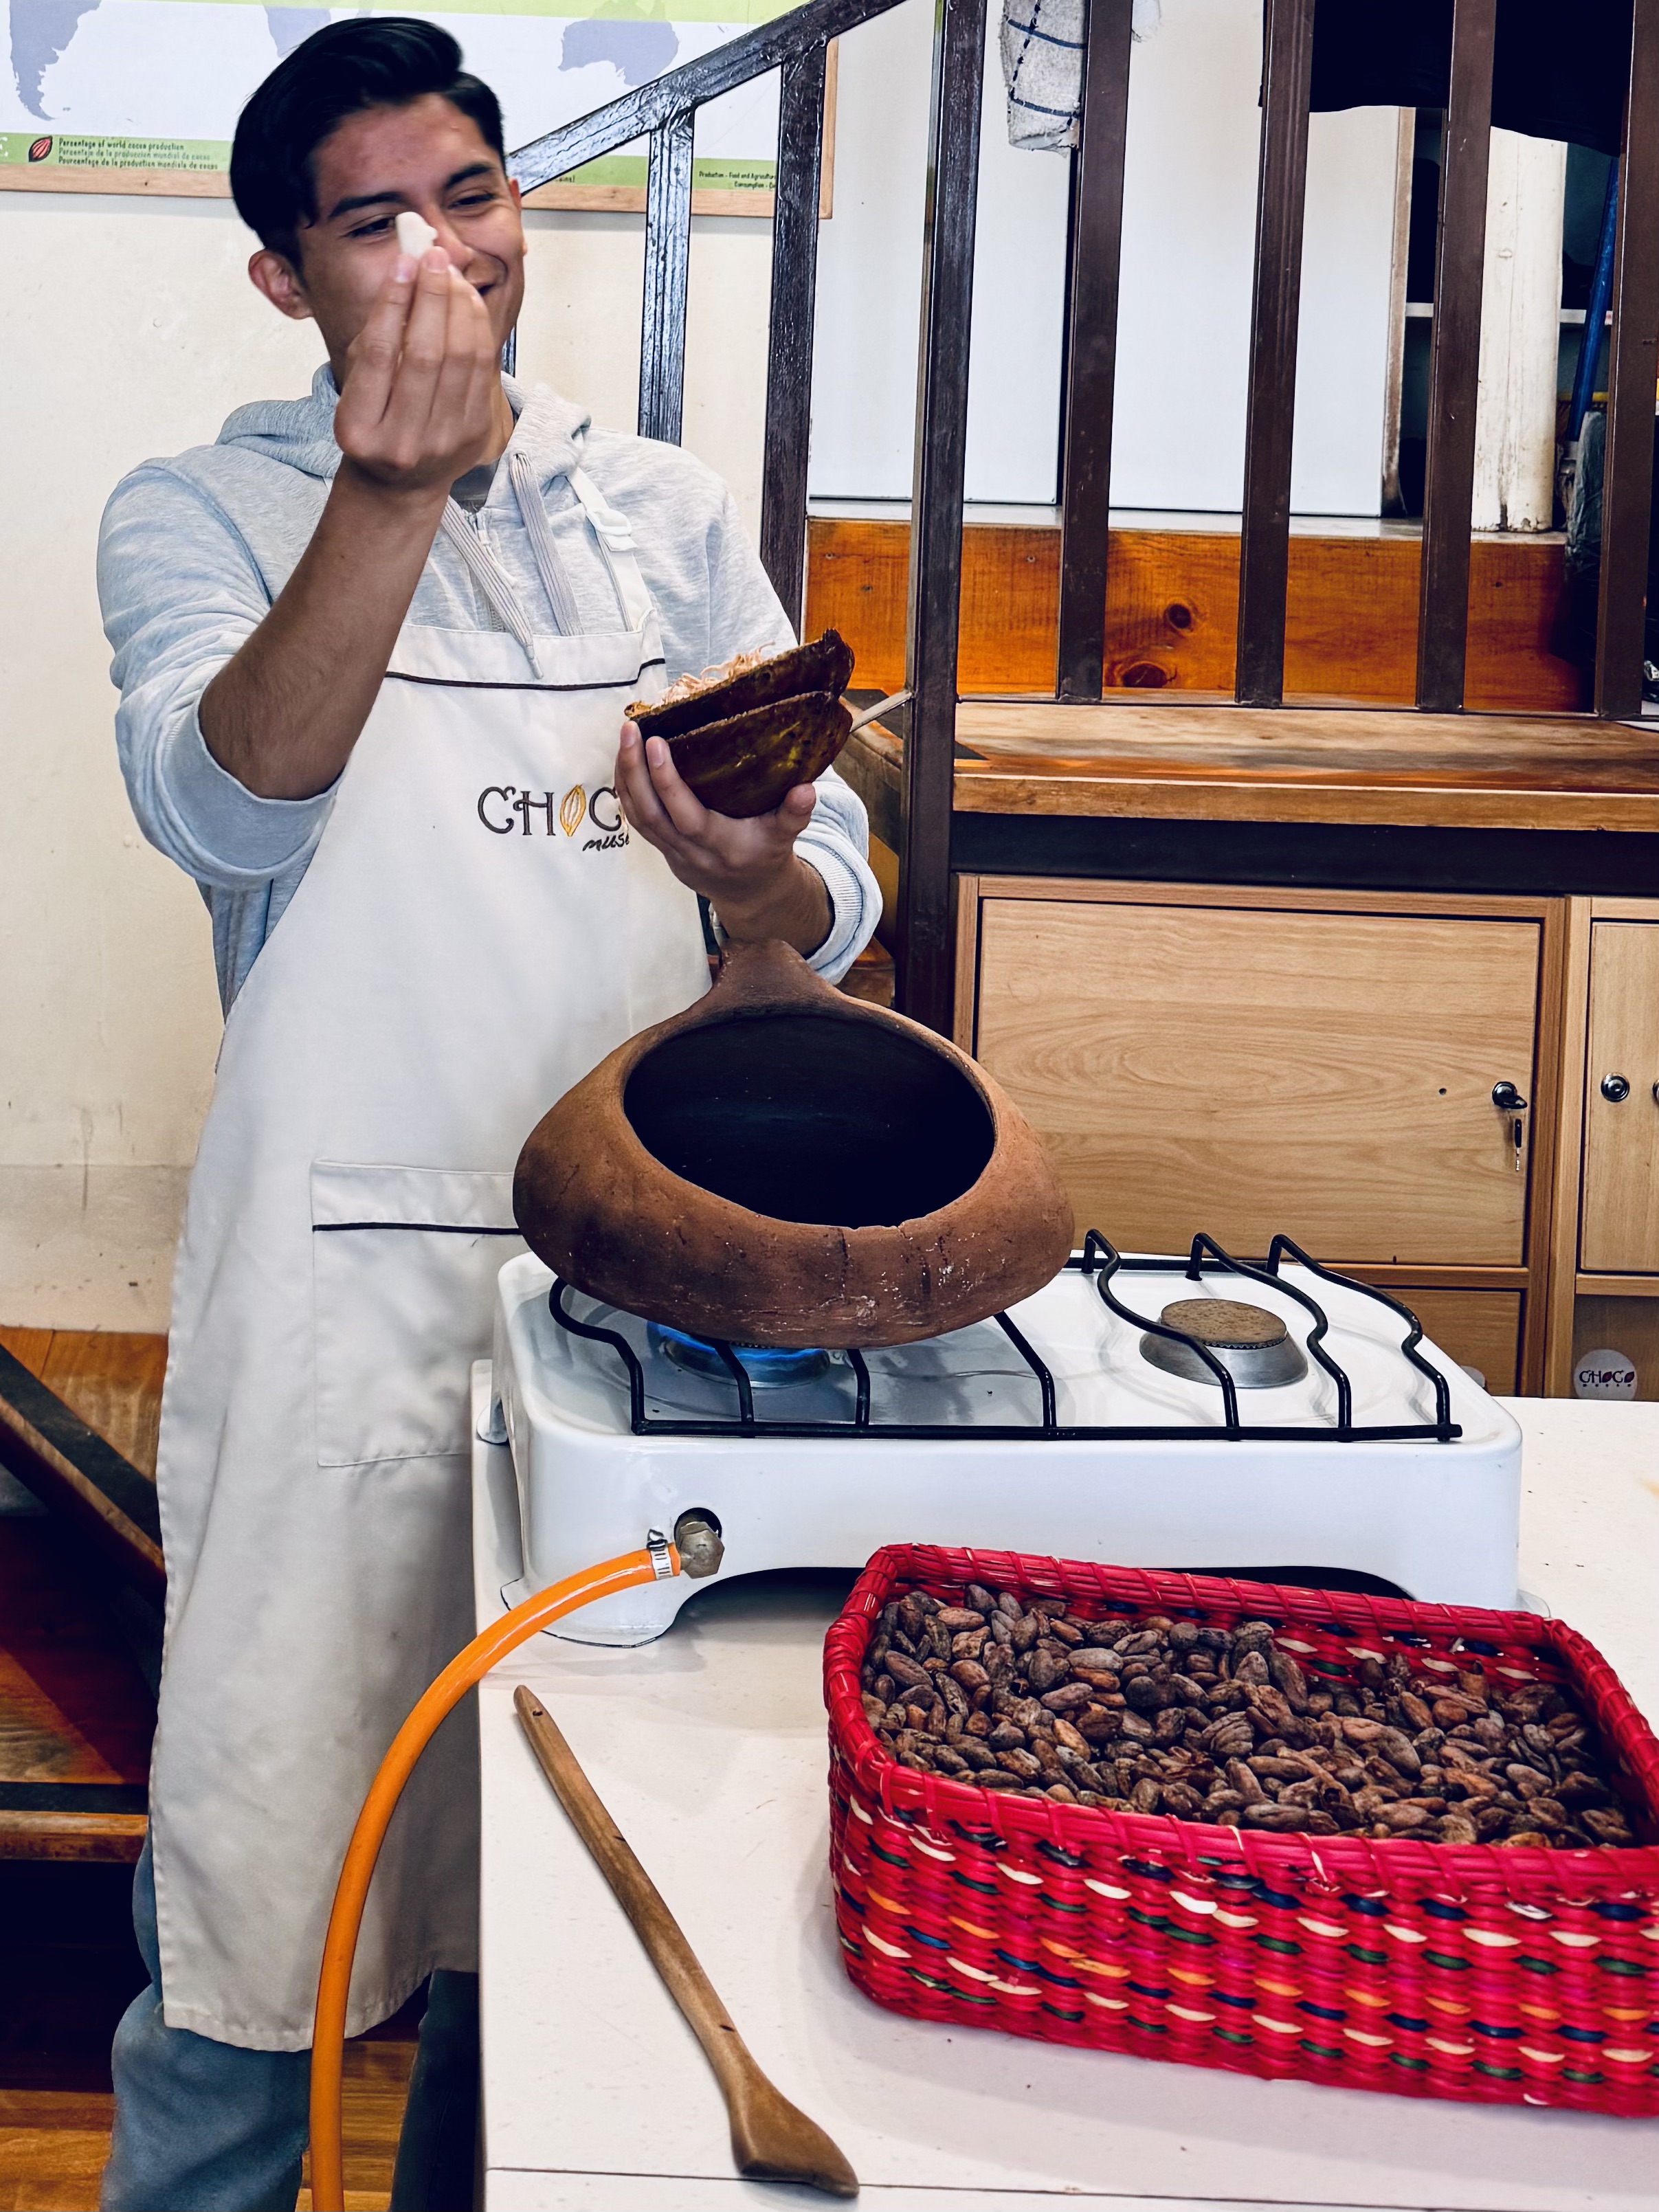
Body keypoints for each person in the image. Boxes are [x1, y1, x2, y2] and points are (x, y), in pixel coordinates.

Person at [96, 19, 879, 2209]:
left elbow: (837, 886)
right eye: (375, 220)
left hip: (642, 1301)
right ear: (287, 279)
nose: (445, 251)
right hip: (338, 1317)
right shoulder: (201, 508)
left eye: (475, 194)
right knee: (258, 1917)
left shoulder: (667, 516)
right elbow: (226, 800)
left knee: (563, 1932)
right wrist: (387, 488)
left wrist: (761, 878)